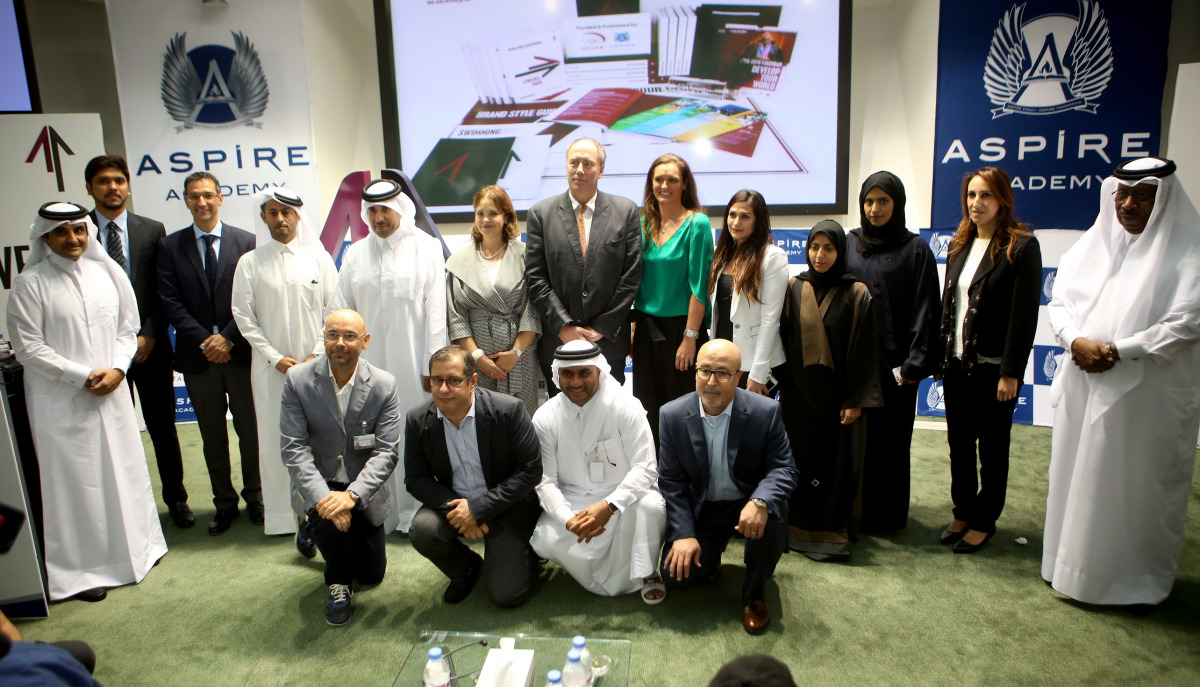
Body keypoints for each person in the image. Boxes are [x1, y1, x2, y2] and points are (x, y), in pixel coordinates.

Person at [1043, 157, 1200, 606]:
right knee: (1077, 475)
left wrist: (1115, 351)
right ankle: (1067, 567)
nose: (1129, 205)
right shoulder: (1091, 246)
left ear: (1162, 200)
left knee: (1133, 485)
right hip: (1082, 382)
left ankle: (1131, 583)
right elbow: (1060, 304)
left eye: (1142, 197)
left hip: (1148, 395)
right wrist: (1076, 342)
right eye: (1123, 195)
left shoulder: (1189, 250)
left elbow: (1186, 322)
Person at [7, 202, 168, 601]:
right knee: (76, 484)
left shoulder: (106, 272)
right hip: (61, 401)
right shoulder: (31, 284)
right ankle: (82, 572)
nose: (73, 239)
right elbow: (28, 348)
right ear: (45, 238)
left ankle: (140, 550)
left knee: (124, 470)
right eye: (62, 232)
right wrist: (82, 376)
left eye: (79, 230)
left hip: (112, 391)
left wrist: (117, 368)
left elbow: (128, 329)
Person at [658, 339, 798, 635]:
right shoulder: (671, 415)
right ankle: (711, 559)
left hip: (747, 504)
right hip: (704, 507)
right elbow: (671, 481)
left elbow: (784, 468)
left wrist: (760, 501)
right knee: (674, 576)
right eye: (704, 370)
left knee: (770, 524)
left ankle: (754, 595)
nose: (711, 381)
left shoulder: (765, 412)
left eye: (722, 373)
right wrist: (683, 534)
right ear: (695, 372)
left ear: (739, 376)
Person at [84, 155, 193, 529]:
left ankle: (176, 500)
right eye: (103, 181)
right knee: (111, 431)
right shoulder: (77, 232)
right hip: (100, 352)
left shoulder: (151, 228)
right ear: (90, 188)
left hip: (150, 348)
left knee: (162, 427)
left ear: (128, 186)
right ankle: (125, 508)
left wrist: (148, 333)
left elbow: (163, 288)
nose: (112, 187)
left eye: (118, 180)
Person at [333, 178, 447, 532]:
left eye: (385, 209)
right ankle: (372, 508)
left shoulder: (425, 248)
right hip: (366, 367)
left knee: (411, 432)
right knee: (369, 435)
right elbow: (340, 309)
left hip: (413, 365)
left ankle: (414, 508)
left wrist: (433, 364)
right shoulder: (355, 254)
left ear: (400, 209)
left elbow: (436, 312)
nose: (378, 218)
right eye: (372, 211)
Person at [938, 168, 1041, 553]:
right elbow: (951, 305)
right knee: (959, 445)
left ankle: (985, 520)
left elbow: (1024, 315)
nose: (976, 203)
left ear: (1003, 200)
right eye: (971, 195)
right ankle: (963, 510)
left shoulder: (1021, 247)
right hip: (956, 366)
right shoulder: (957, 245)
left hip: (993, 368)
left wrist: (1011, 371)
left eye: (985, 195)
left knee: (992, 449)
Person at [279, 310, 401, 626]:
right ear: (324, 337)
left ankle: (314, 527)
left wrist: (352, 497)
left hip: (362, 487)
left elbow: (387, 452)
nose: (340, 343)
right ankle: (338, 583)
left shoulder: (384, 385)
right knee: (334, 534)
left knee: (372, 574)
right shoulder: (298, 380)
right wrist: (325, 499)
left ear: (365, 341)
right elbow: (294, 448)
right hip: (320, 481)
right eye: (332, 334)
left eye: (349, 336)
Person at [158, 171, 262, 535]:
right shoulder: (170, 246)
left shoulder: (247, 242)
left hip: (241, 353)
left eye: (207, 195)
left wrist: (229, 338)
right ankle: (224, 503)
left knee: (251, 431)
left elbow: (253, 299)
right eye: (193, 196)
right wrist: (206, 340)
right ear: (186, 201)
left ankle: (257, 497)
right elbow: (170, 301)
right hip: (198, 357)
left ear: (220, 198)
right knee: (212, 434)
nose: (201, 202)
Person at [232, 188, 338, 543]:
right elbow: (243, 318)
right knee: (275, 440)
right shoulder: (250, 262)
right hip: (270, 370)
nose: (280, 219)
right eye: (272, 212)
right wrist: (275, 357)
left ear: (297, 217)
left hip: (316, 368)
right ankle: (280, 516)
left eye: (286, 212)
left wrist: (315, 355)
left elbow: (332, 312)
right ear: (263, 217)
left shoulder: (319, 259)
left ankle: (319, 511)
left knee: (319, 438)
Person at [404, 346, 542, 608]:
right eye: (437, 380)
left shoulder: (508, 411)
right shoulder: (418, 420)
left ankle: (529, 555)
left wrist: (478, 509)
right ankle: (467, 568)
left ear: (473, 381)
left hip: (505, 505)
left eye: (454, 380)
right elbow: (416, 478)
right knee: (423, 530)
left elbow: (531, 471)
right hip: (455, 504)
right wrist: (459, 510)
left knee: (506, 596)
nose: (444, 389)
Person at [530, 340, 667, 601]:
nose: (576, 382)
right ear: (557, 376)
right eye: (567, 374)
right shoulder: (546, 416)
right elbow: (545, 481)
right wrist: (568, 519)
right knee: (545, 539)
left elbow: (646, 468)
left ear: (599, 372)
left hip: (624, 498)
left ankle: (647, 571)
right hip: (574, 501)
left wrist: (610, 505)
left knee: (651, 506)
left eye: (584, 373)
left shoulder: (625, 406)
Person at [779, 220, 881, 562]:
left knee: (835, 469)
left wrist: (855, 401)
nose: (820, 255)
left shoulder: (857, 292)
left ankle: (832, 535)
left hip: (836, 402)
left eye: (829, 248)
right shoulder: (794, 286)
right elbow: (783, 342)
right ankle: (792, 530)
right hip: (797, 400)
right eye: (814, 247)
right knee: (796, 464)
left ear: (841, 251)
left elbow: (865, 353)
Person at [846, 171, 941, 533]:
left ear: (897, 204)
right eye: (869, 201)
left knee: (893, 444)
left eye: (883, 201)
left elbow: (925, 308)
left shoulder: (915, 249)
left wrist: (914, 365)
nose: (875, 209)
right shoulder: (851, 244)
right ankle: (857, 513)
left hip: (898, 369)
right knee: (858, 442)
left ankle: (887, 519)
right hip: (858, 365)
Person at [526, 137, 643, 393]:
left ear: (601, 170)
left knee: (608, 424)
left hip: (608, 344)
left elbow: (631, 276)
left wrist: (601, 328)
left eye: (588, 164)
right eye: (574, 162)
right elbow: (536, 279)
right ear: (566, 167)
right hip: (559, 344)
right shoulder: (540, 215)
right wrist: (564, 326)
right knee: (563, 423)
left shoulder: (625, 211)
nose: (580, 169)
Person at [632, 154, 714, 443]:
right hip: (645, 330)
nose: (664, 185)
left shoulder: (697, 223)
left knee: (682, 412)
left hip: (682, 331)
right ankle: (651, 479)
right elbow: (636, 284)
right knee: (646, 409)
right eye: (658, 179)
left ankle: (682, 481)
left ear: (684, 185)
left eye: (672, 179)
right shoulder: (642, 224)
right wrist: (633, 331)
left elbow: (699, 287)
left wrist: (690, 338)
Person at [446, 185, 540, 415]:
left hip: (519, 359)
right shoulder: (458, 261)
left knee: (521, 421)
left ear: (506, 216)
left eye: (493, 213)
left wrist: (515, 354)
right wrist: (477, 357)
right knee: (482, 421)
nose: (485, 219)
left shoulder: (525, 255)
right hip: (478, 359)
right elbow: (455, 315)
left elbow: (533, 308)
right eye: (480, 213)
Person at [707, 190, 787, 395]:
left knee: (753, 425)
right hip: (725, 361)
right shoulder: (723, 254)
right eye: (732, 215)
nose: (736, 222)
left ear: (757, 220)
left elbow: (770, 319)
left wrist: (758, 373)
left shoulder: (772, 256)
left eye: (745, 216)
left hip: (755, 364)